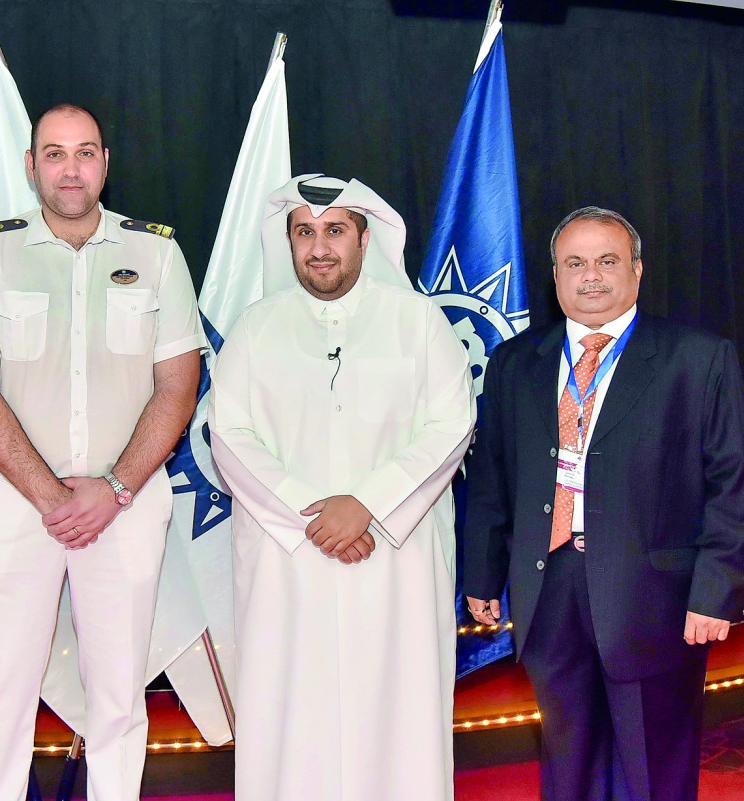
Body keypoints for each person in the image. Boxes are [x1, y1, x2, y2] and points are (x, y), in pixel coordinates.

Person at [0, 103, 205, 801]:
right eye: (54, 153)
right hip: (12, 501)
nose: (70, 168)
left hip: (126, 503)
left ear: (106, 163)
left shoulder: (157, 253)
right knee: (1, 695)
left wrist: (112, 487)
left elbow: (178, 387)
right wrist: (54, 495)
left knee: (119, 695)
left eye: (85, 152)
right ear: (31, 166)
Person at [464, 206, 744, 801]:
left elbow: (731, 487)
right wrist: (483, 574)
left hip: (657, 598)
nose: (591, 276)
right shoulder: (517, 362)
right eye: (574, 263)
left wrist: (715, 592)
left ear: (638, 270)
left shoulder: (697, 359)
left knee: (653, 764)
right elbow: (493, 478)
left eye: (607, 261)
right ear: (554, 276)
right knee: (567, 759)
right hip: (549, 592)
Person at [208, 174, 476, 801]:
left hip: (394, 558)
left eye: (334, 231)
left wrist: (368, 507)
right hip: (288, 561)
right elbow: (230, 436)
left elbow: (452, 423)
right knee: (288, 711)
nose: (319, 246)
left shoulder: (419, 322)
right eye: (305, 232)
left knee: (398, 712)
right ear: (290, 242)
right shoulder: (254, 328)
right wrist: (316, 517)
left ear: (363, 239)